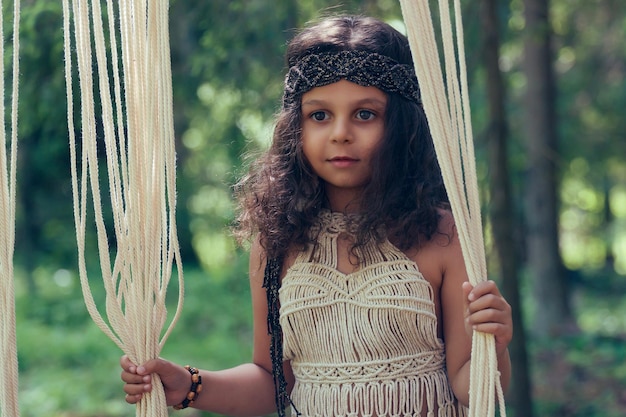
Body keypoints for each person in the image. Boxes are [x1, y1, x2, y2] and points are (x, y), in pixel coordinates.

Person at [120, 15, 512, 417]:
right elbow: (272, 380)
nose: (340, 133)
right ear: (296, 128)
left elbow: (469, 387)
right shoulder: (277, 240)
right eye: (320, 116)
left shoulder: (442, 233)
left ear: (401, 126)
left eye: (365, 115)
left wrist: (493, 345)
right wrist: (190, 386)